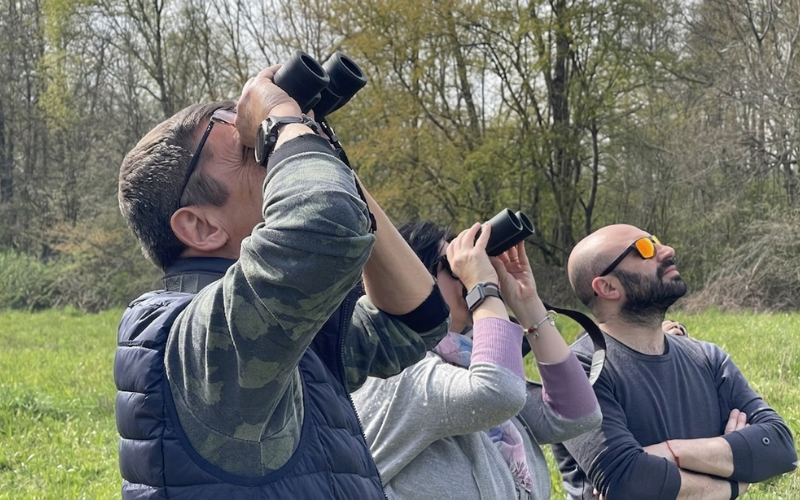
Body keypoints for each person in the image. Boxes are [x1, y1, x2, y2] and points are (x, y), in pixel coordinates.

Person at [114, 65, 450, 499]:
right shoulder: (197, 341)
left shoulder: (279, 329)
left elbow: (414, 321)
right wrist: (281, 123)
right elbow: (326, 220)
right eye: (248, 151)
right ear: (201, 226)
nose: (270, 159)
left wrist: (319, 146)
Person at [351, 221, 602, 500]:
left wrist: (526, 302)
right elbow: (497, 393)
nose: (465, 276)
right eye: (453, 266)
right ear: (411, 280)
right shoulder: (395, 373)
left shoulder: (466, 359)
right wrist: (482, 288)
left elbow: (576, 416)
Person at [552, 224, 797, 500]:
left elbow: (780, 447)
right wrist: (732, 481)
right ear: (607, 287)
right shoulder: (577, 371)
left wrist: (670, 452)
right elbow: (628, 482)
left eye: (656, 241)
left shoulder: (707, 358)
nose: (668, 250)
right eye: (644, 249)